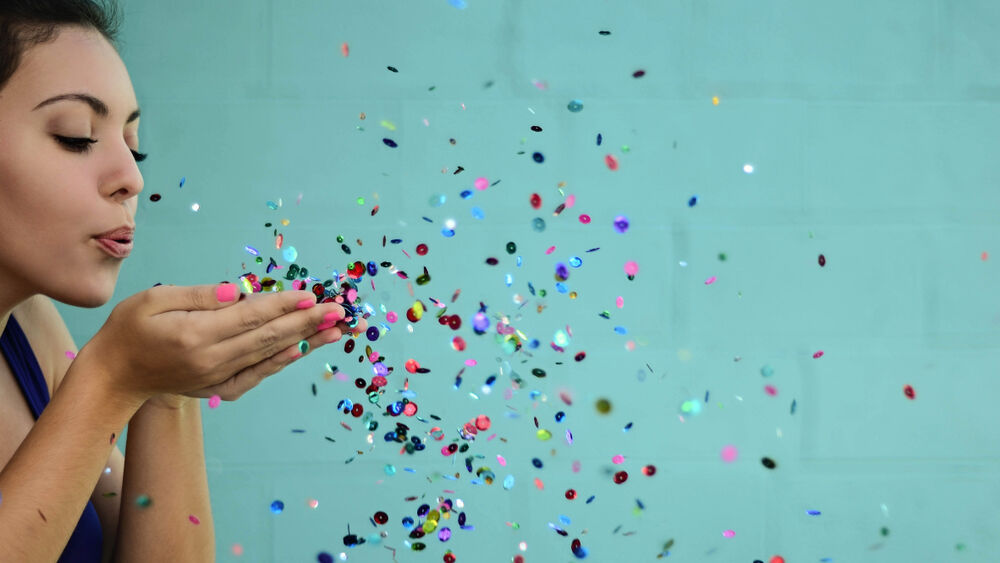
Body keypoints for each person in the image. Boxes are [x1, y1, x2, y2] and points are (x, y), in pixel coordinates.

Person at [0, 1, 366, 560]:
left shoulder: (28, 329)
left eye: (133, 142)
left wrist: (164, 387)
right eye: (76, 136)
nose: (132, 177)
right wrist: (112, 377)